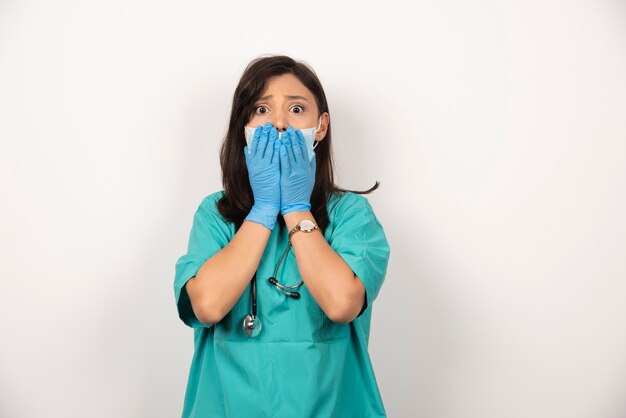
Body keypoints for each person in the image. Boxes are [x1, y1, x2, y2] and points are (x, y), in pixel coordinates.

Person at [173, 55, 391, 418]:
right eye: (261, 109)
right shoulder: (216, 214)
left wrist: (295, 208)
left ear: (320, 127)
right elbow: (206, 306)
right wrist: (261, 212)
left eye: (296, 108)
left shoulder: (350, 215)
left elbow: (342, 304)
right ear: (243, 126)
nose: (278, 122)